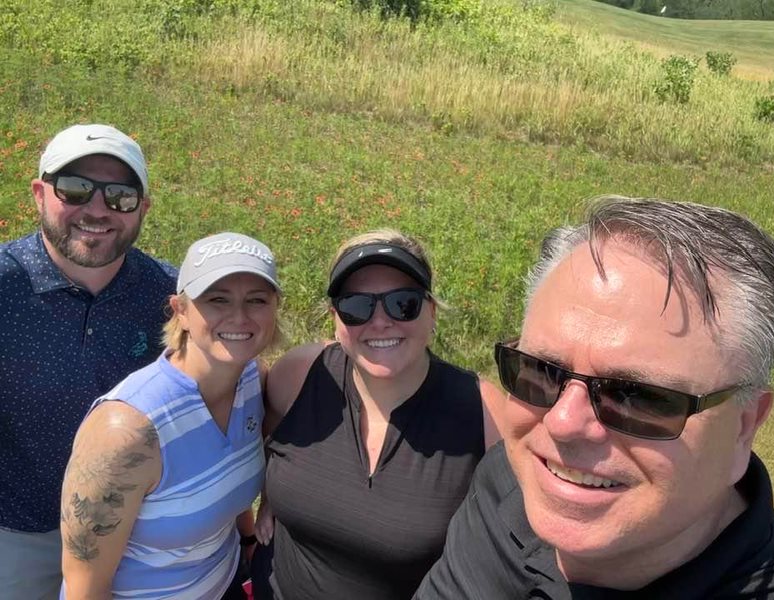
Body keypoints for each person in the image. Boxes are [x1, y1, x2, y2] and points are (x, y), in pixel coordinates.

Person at [414, 196, 774, 599]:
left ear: (743, 426)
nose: (562, 423)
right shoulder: (512, 480)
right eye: (541, 371)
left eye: (636, 397)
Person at [253, 229, 503, 599]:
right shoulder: (300, 374)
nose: (380, 321)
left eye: (403, 303)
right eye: (357, 306)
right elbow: (266, 438)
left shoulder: (484, 413)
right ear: (335, 319)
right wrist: (273, 494)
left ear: (431, 310)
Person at [0, 123, 177, 599]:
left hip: (133, 534)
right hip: (19, 534)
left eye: (119, 196)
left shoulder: (172, 297)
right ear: (39, 193)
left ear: (142, 208)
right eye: (76, 189)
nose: (96, 210)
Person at [59, 232, 282, 599]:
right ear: (181, 311)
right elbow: (84, 584)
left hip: (223, 585)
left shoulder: (252, 382)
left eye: (256, 300)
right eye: (217, 299)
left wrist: (246, 537)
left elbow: (224, 481)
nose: (239, 317)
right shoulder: (126, 432)